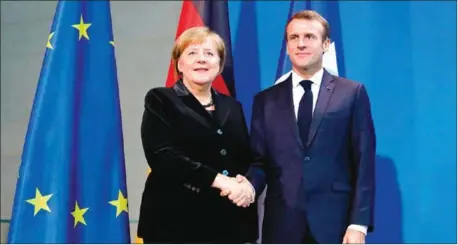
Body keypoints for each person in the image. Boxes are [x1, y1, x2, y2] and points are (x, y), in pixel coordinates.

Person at [231, 10, 376, 244]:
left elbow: (363, 161)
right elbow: (260, 162)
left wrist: (358, 223)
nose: (301, 44)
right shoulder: (265, 100)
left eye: (309, 37)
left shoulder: (352, 93)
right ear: (287, 45)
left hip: (336, 224)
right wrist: (247, 186)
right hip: (282, 223)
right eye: (294, 38)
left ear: (326, 44)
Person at [137, 26, 258, 243]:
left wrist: (246, 185)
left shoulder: (233, 106)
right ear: (179, 64)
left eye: (209, 54)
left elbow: (243, 156)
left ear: (219, 65)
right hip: (175, 222)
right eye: (192, 53)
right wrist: (220, 180)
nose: (201, 59)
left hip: (228, 223)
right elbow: (162, 156)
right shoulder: (161, 99)